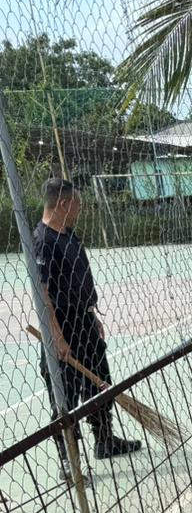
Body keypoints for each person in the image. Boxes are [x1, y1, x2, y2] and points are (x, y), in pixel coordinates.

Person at [34, 177, 141, 474]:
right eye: (77, 205)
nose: (80, 210)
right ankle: (70, 462)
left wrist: (91, 316)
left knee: (99, 380)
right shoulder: (44, 240)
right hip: (62, 325)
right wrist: (55, 337)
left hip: (82, 320)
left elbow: (78, 282)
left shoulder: (68, 234)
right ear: (65, 204)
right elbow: (43, 294)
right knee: (64, 396)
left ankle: (104, 439)